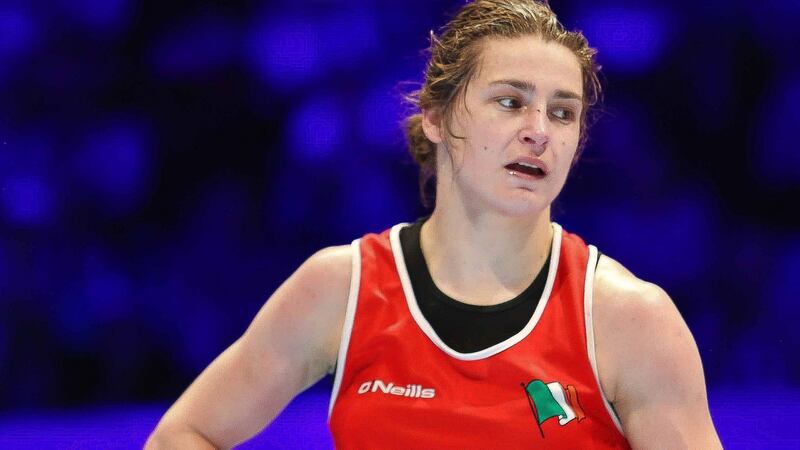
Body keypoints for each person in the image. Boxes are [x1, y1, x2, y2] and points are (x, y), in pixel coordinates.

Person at [146, 1, 722, 448]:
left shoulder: (630, 322)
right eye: (510, 101)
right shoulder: (340, 291)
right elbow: (183, 435)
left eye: (562, 111)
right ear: (438, 118)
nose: (539, 129)